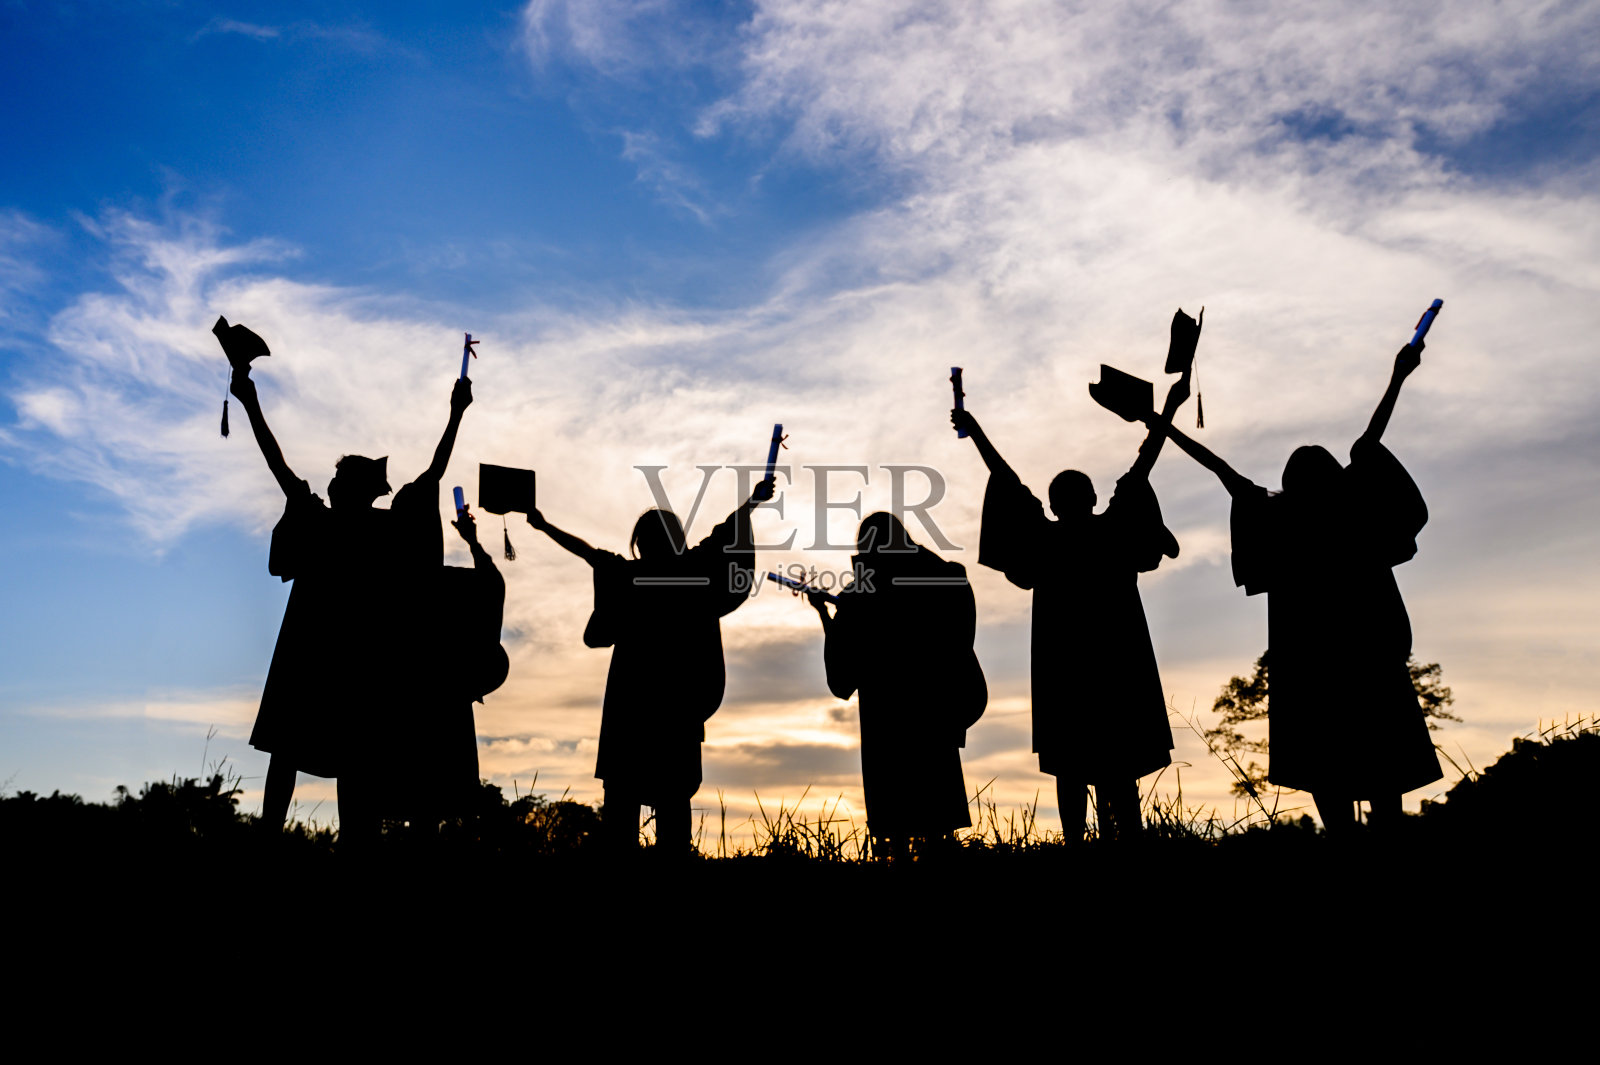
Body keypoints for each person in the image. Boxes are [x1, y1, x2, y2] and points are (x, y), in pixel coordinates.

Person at [1150, 342, 1441, 832]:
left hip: (1308, 660)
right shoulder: (1353, 515)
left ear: (1291, 481)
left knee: (1325, 765)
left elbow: (1217, 466)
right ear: (1334, 478)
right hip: (1366, 652)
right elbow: (1369, 441)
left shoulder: (1277, 517)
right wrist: (1397, 378)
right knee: (1381, 762)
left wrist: (1158, 420)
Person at [217, 320, 473, 843]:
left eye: (338, 479)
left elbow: (277, 459)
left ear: (343, 488)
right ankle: (346, 844)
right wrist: (455, 415)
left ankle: (276, 839)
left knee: (303, 753)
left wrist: (249, 401)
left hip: (314, 651)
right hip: (353, 660)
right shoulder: (382, 530)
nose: (331, 483)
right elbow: (432, 474)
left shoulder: (321, 519)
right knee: (347, 759)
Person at [950, 369, 1189, 844]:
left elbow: (1006, 479)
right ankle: (1129, 845)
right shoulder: (1113, 530)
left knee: (1072, 768)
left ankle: (1078, 849)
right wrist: (1170, 410)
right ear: (1093, 498)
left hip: (1065, 666)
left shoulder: (1044, 541)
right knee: (1118, 768)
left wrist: (976, 431)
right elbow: (1145, 463)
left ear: (1055, 505)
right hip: (1115, 661)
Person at [527, 478, 771, 856]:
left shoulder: (631, 578)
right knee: (673, 810)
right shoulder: (694, 573)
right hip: (677, 709)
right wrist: (752, 502)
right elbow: (726, 533)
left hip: (631, 709)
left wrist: (543, 526)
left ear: (641, 543)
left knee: (624, 813)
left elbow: (588, 553)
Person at [806, 512, 986, 858]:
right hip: (933, 710)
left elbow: (847, 669)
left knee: (895, 820)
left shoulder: (861, 594)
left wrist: (827, 615)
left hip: (887, 717)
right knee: (935, 814)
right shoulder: (938, 577)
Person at [379, 507, 509, 834]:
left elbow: (491, 584)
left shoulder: (395, 582)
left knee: (426, 809)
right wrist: (473, 542)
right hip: (440, 703)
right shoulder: (445, 580)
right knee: (436, 809)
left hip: (416, 704)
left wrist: (473, 542)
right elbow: (492, 584)